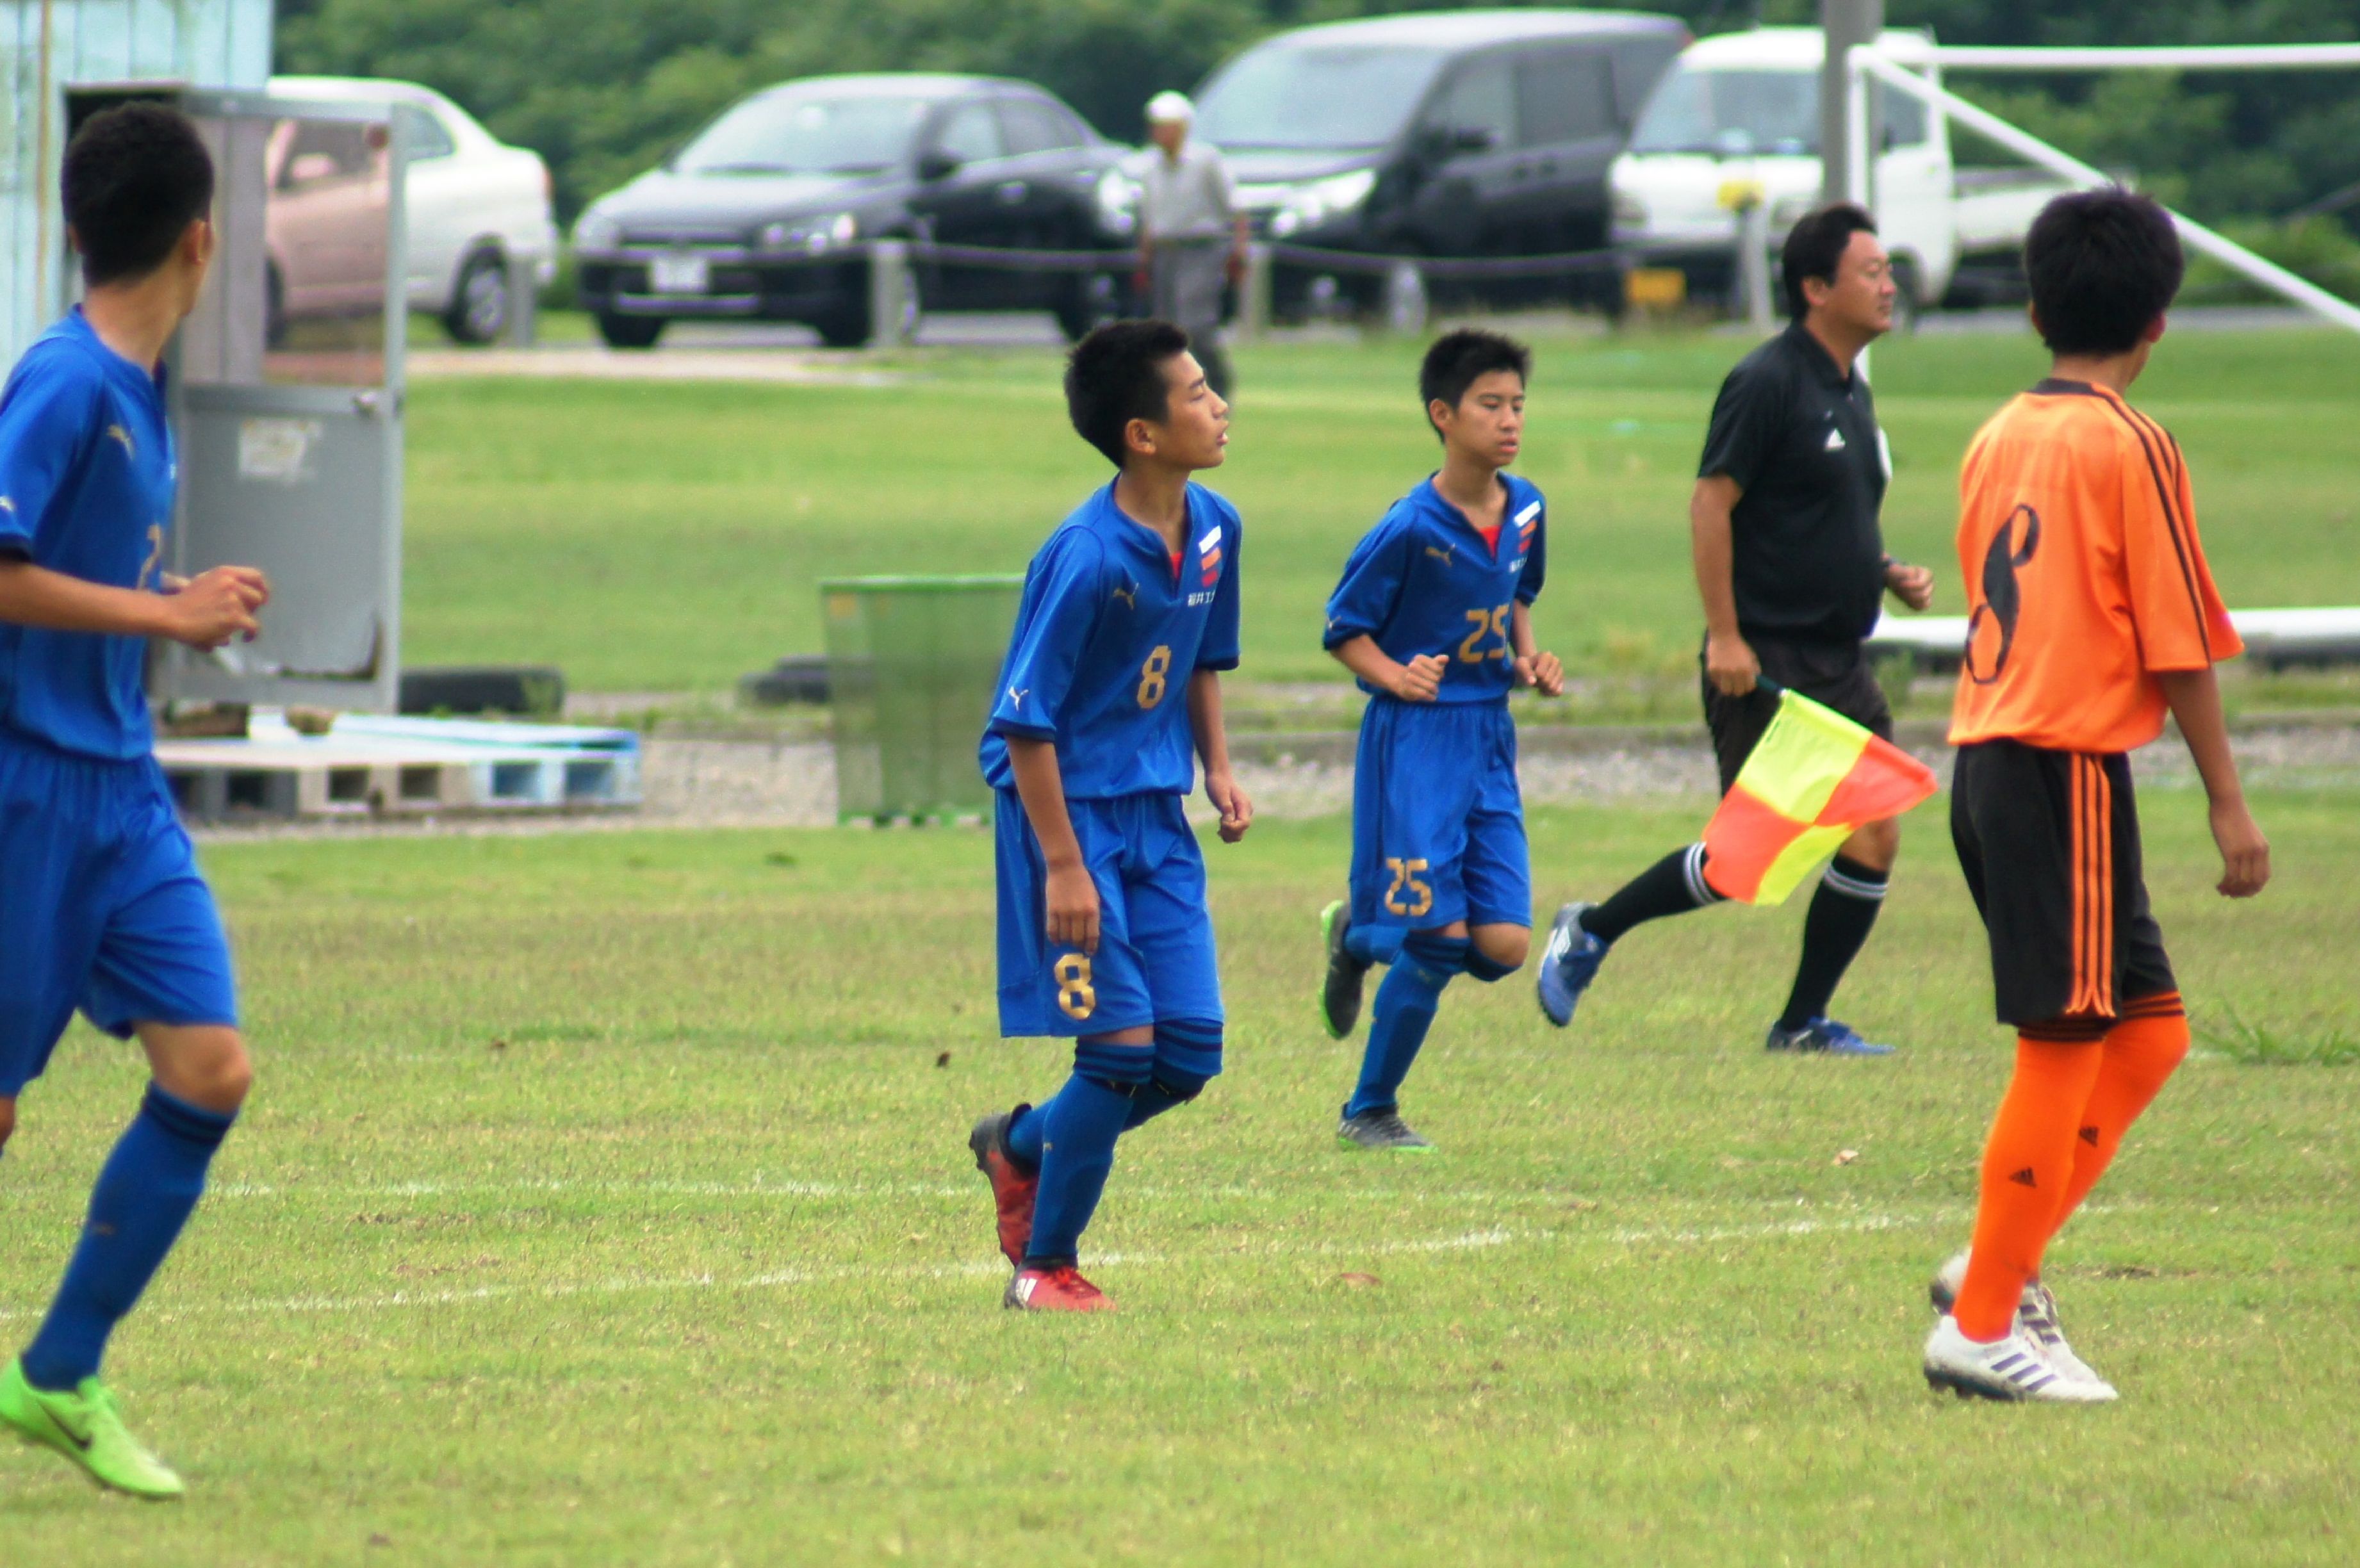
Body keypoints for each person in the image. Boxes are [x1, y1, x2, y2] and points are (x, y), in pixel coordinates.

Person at [1920, 188, 2268, 1401]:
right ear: (2157, 321)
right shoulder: (2129, 442)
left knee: (2150, 1031)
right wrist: (2227, 802)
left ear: (2032, 309)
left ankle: (1993, 1263)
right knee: (2065, 1041)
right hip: (2054, 763)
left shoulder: (1997, 433)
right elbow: (2177, 640)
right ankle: (1980, 1324)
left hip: (1998, 762)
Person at [0, 104, 272, 1498]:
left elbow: (79, 571)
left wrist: (167, 600)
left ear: (75, 228)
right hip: (23, 788)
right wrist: (164, 618)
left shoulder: (137, 385)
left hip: (121, 792)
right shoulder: (61, 382)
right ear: (201, 241)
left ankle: (56, 1374)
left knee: (210, 1067)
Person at [1533, 202, 1935, 1056]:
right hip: (1768, 660)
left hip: (1841, 660)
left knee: (1875, 833)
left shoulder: (1851, 389)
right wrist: (1725, 636)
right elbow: (1711, 504)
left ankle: (1801, 1023)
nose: (1889, 285)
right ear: (1816, 288)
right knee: (1743, 861)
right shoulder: (1767, 381)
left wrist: (1882, 569)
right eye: (1871, 272)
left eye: (1888, 271)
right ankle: (1591, 929)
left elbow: (1817, 515)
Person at [966, 319, 1252, 1312]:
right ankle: (1042, 1270)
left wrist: (1217, 768)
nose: (1219, 406)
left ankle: (1019, 1145)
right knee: (1120, 1053)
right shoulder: (1086, 557)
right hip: (1068, 818)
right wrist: (1063, 865)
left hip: (1155, 817)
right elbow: (1024, 723)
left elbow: (1199, 656)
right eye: (1197, 394)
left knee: (1187, 1056)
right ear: (1142, 433)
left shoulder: (1215, 527)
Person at [1316, 331, 1562, 1151]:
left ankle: (1357, 935)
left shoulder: (1527, 508)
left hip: (1489, 734)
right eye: (1490, 405)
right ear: (1443, 415)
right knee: (1437, 940)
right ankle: (1369, 1110)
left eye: (1518, 404)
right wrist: (1397, 675)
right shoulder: (1408, 526)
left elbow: (1517, 596)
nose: (1510, 419)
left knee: (1501, 947)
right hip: (1417, 742)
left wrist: (1528, 658)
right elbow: (1343, 631)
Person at [1136, 91, 1248, 401]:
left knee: (1194, 325)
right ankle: (1179, 397)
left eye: (1165, 126)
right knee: (1166, 331)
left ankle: (1218, 383)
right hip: (1165, 252)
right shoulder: (1149, 167)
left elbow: (1235, 208)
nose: (1158, 133)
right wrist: (1144, 261)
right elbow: (1149, 218)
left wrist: (1239, 251)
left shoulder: (1206, 161)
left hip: (1201, 249)